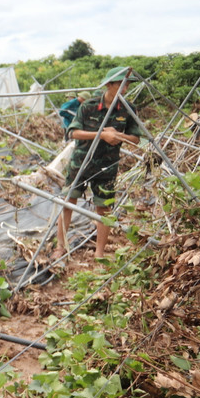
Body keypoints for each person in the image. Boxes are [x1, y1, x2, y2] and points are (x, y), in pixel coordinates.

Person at [55, 66, 144, 260]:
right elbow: (73, 133)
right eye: (121, 84)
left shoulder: (128, 109)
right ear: (109, 85)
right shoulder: (88, 106)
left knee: (104, 208)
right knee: (68, 202)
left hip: (107, 166)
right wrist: (102, 135)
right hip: (81, 163)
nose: (125, 89)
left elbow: (136, 139)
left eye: (127, 84)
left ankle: (99, 253)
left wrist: (119, 136)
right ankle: (60, 247)